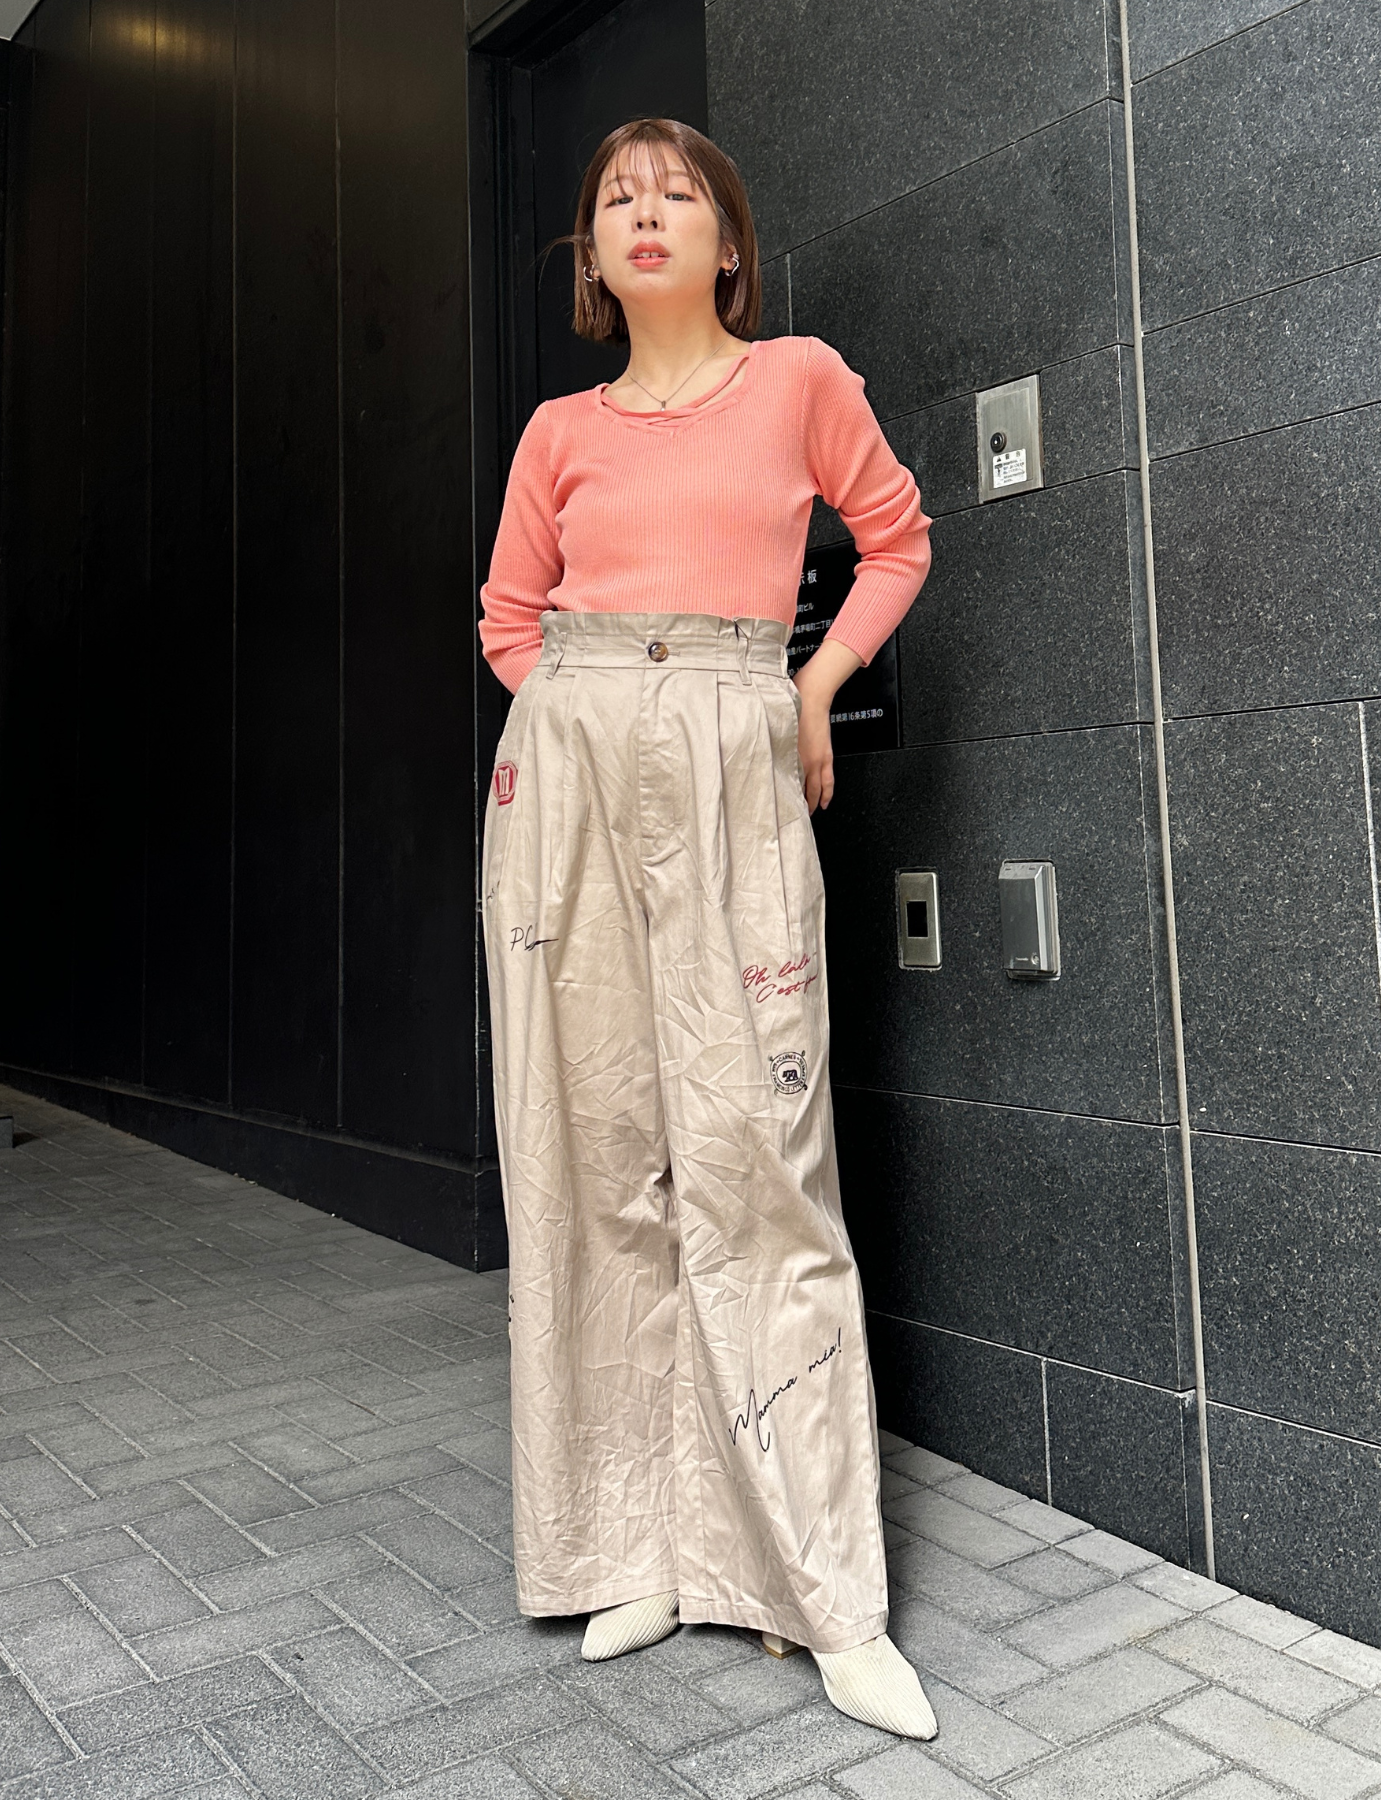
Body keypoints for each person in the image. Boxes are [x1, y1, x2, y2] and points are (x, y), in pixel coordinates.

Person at [477, 116, 936, 1742]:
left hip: (738, 744)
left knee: (759, 1159)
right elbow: (508, 618)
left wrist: (806, 688)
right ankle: (636, 1544)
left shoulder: (800, 380)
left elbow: (897, 539)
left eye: (677, 194)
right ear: (593, 256)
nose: (645, 214)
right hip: (573, 771)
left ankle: (825, 1594)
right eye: (616, 198)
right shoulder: (557, 431)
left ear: (729, 241)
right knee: (597, 1157)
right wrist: (579, 727)